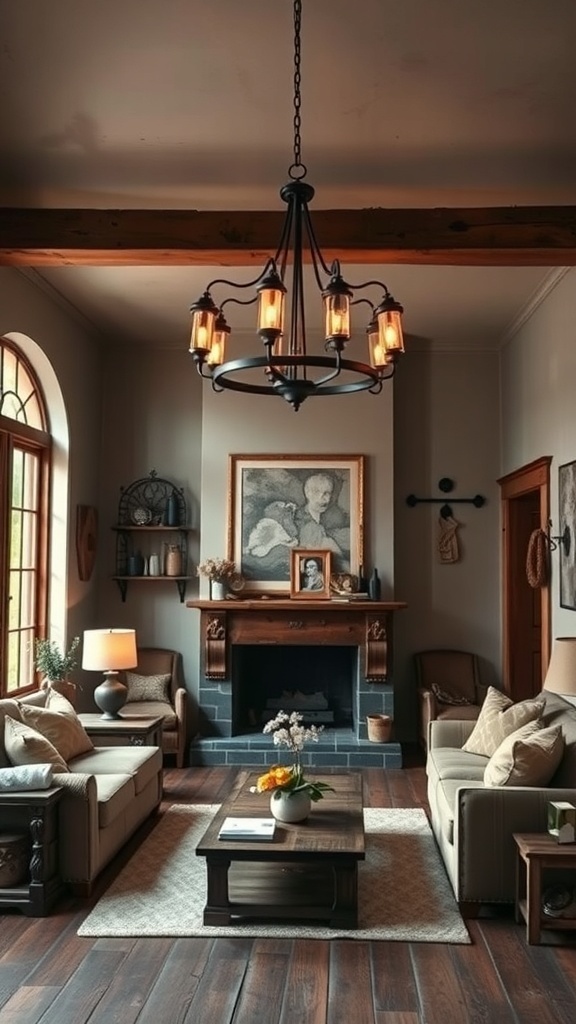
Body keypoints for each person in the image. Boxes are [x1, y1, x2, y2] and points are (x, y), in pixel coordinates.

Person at [295, 473, 344, 557]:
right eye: (317, 492)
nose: (323, 498)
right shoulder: (306, 524)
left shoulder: (328, 519)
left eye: (327, 493)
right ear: (307, 493)